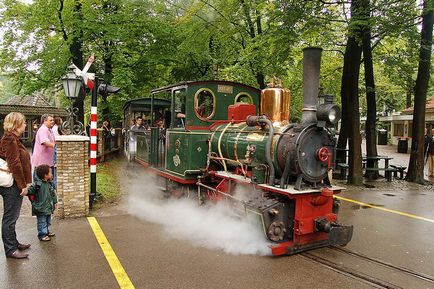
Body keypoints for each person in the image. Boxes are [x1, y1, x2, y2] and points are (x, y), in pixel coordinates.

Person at [0, 112, 32, 259]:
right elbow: (14, 163)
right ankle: (10, 249)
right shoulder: (9, 139)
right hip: (12, 184)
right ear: (17, 124)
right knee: (10, 217)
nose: (25, 125)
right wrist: (22, 185)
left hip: (14, 182)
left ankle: (14, 242)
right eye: (24, 122)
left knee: (12, 215)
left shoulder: (12, 138)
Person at [27, 164, 57, 242]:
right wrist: (25, 191)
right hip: (40, 208)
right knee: (42, 221)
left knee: (47, 221)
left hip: (48, 207)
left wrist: (55, 202)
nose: (52, 174)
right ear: (45, 175)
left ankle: (46, 231)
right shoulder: (37, 184)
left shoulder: (50, 183)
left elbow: (53, 194)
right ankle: (42, 235)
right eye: (50, 172)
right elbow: (29, 192)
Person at [31, 114, 55, 180]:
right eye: (50, 120)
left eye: (53, 120)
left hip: (48, 161)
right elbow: (45, 142)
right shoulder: (43, 130)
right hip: (41, 162)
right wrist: (55, 146)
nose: (52, 121)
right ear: (45, 121)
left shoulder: (50, 130)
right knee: (40, 181)